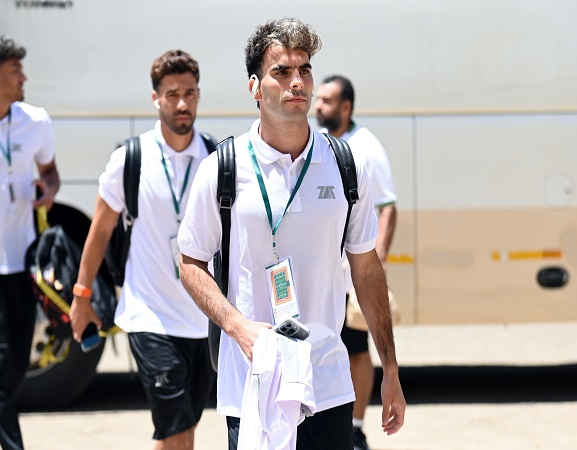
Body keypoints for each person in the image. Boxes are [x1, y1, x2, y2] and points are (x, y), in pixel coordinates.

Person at [178, 17, 406, 450]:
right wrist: (237, 326)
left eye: (304, 69)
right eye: (281, 71)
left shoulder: (346, 165)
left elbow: (366, 268)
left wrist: (391, 369)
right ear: (254, 87)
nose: (296, 82)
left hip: (327, 382)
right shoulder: (222, 168)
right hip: (252, 382)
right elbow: (190, 263)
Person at [69, 49, 216, 450]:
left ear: (199, 95)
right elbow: (99, 231)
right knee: (176, 429)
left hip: (203, 319)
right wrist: (81, 296)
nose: (182, 104)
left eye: (189, 93)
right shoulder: (130, 159)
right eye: (172, 94)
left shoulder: (216, 158)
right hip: (150, 317)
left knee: (183, 429)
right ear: (156, 99)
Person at [315, 75, 397, 450]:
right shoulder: (320, 143)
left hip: (353, 273)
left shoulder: (365, 147)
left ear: (346, 107)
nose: (318, 106)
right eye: (319, 99)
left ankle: (357, 427)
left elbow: (388, 206)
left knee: (357, 349)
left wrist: (376, 261)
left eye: (327, 101)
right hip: (326, 272)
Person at [0, 36, 60, 450]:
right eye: (14, 71)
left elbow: (50, 172)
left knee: (17, 363)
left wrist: (48, 190)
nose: (24, 78)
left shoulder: (35, 121)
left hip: (21, 264)